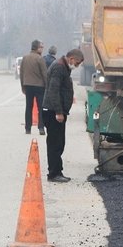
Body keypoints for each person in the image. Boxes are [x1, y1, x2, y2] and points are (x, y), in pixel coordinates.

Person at [42, 49, 83, 183]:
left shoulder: (63, 67)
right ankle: (53, 174)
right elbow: (54, 90)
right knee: (55, 143)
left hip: (57, 111)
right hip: (53, 112)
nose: (76, 66)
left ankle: (57, 171)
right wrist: (59, 112)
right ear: (71, 58)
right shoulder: (59, 68)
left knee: (59, 143)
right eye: (76, 63)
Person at [20, 39, 48, 136]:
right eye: (41, 47)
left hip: (28, 85)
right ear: (36, 48)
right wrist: (47, 86)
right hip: (39, 86)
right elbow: (44, 74)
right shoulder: (40, 59)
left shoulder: (25, 58)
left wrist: (22, 86)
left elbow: (22, 73)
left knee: (29, 107)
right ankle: (41, 127)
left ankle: (28, 128)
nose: (42, 49)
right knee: (41, 108)